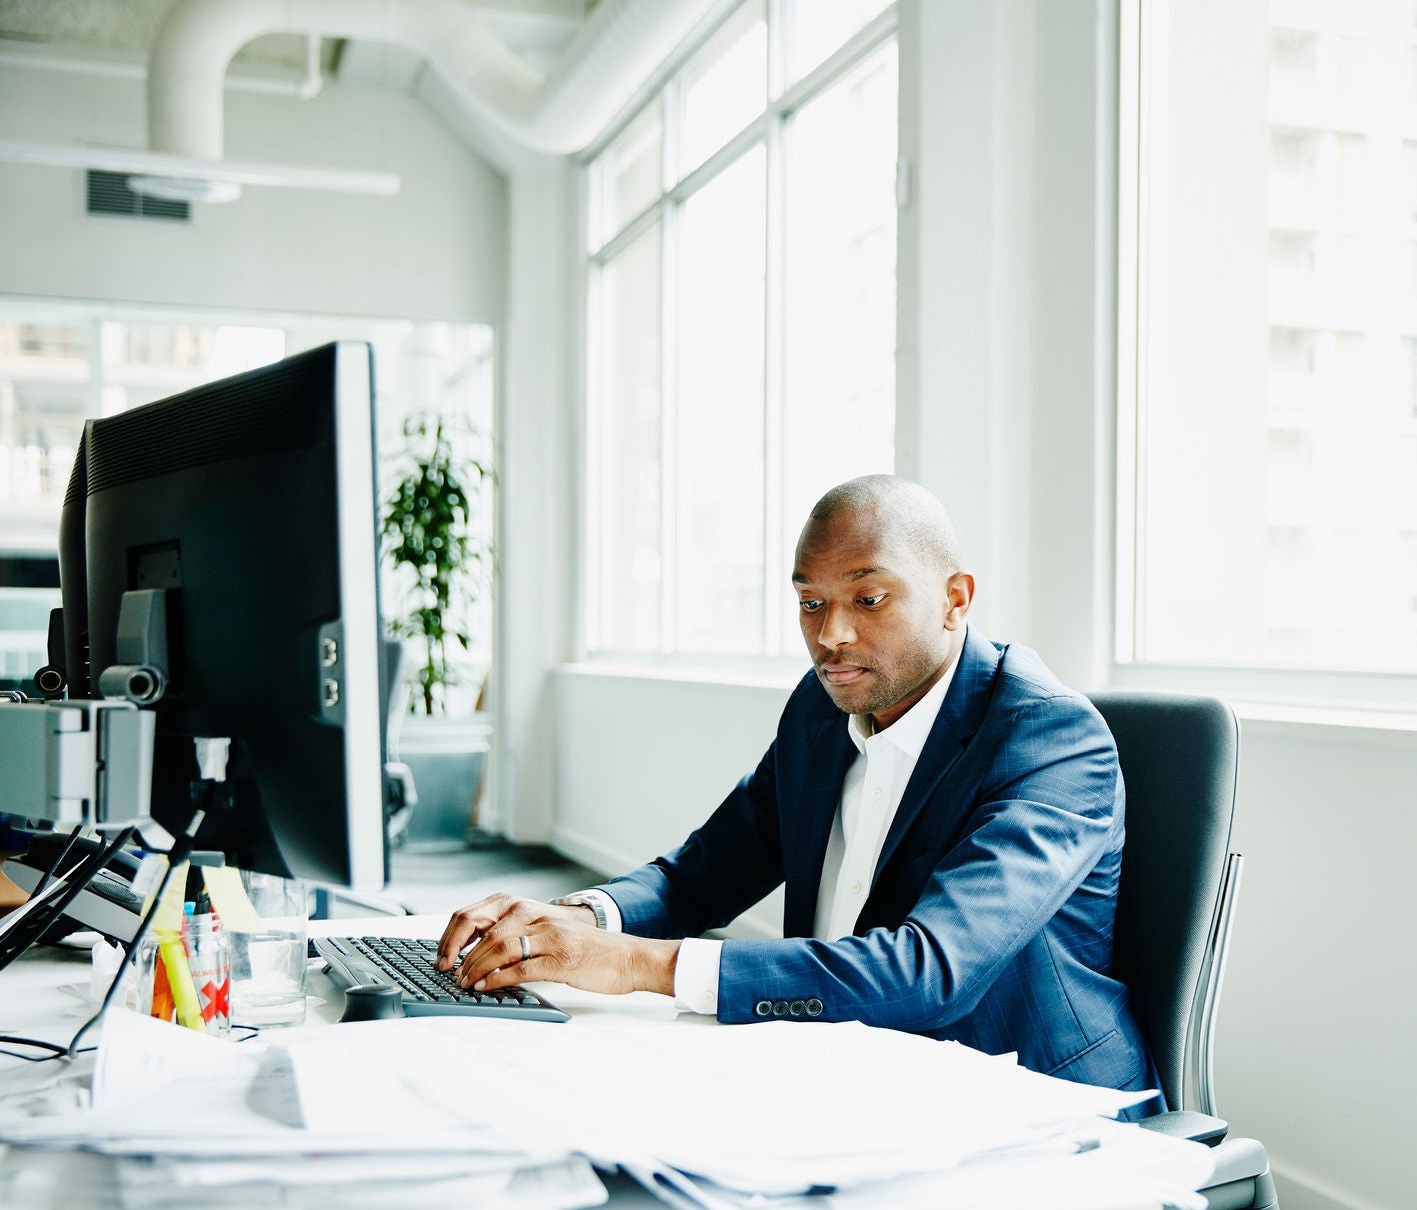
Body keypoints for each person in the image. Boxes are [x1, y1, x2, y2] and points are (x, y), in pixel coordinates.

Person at [435, 474, 1161, 1106]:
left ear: (954, 600)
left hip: (1032, 1112)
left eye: (868, 598)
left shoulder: (1049, 739)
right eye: (810, 602)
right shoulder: (822, 711)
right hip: (843, 1076)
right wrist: (574, 919)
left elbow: (927, 970)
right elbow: (696, 878)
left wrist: (630, 961)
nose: (830, 635)